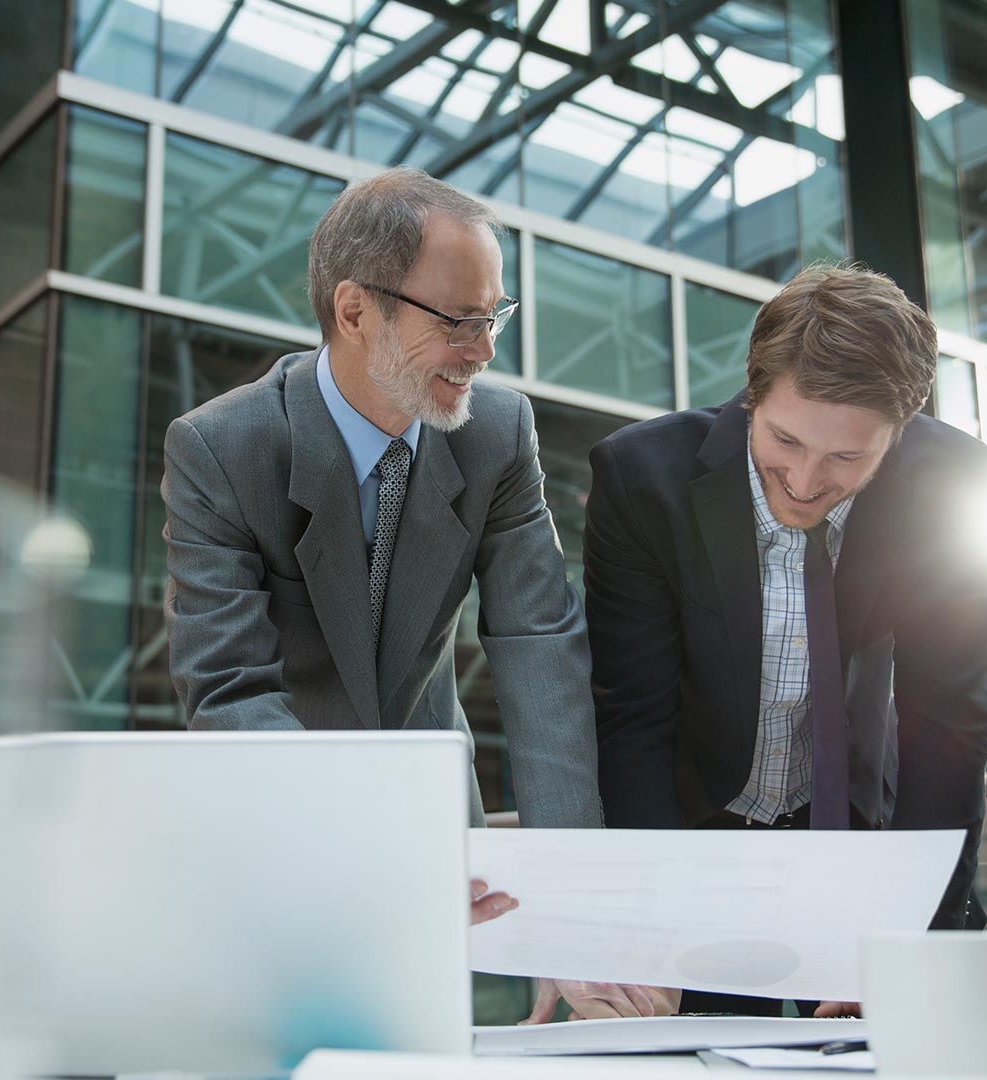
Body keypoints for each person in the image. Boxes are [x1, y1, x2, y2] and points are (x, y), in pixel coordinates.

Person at [165, 170, 640, 979]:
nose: (484, 351)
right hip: (286, 835)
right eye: (458, 320)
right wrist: (372, 851)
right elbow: (229, 692)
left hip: (441, 840)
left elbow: (540, 647)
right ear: (355, 311)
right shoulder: (222, 450)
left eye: (493, 317)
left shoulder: (497, 433)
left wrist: (569, 903)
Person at [578, 263, 987, 1020]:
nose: (805, 480)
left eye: (848, 457)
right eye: (785, 439)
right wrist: (653, 932)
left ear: (897, 436)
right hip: (694, 834)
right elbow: (631, 719)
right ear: (752, 395)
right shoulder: (643, 481)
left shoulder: (946, 485)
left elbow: (948, 722)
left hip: (852, 835)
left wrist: (911, 935)